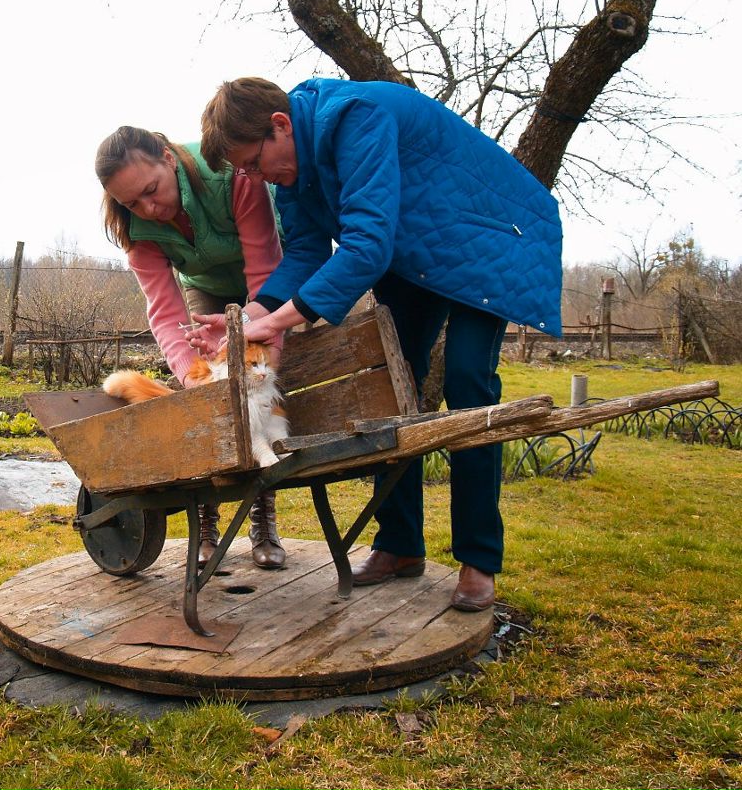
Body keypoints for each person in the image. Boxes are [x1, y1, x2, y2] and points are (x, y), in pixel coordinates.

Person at [191, 77, 562, 611]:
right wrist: (250, 317)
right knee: (390, 386)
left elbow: (365, 245)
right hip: (418, 250)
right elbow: (304, 252)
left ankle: (479, 559)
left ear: (280, 126)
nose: (253, 177)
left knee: (467, 382)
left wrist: (279, 324)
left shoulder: (356, 116)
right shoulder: (292, 168)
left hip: (492, 238)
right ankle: (400, 544)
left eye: (252, 163)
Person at [95, 125, 287, 569]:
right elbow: (164, 312)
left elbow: (263, 264)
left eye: (151, 190)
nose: (148, 208)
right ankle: (206, 524)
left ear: (166, 157)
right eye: (131, 202)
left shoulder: (227, 174)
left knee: (264, 395)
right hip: (207, 295)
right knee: (205, 406)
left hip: (265, 287)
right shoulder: (137, 228)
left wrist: (259, 336)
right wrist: (193, 379)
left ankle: (263, 516)